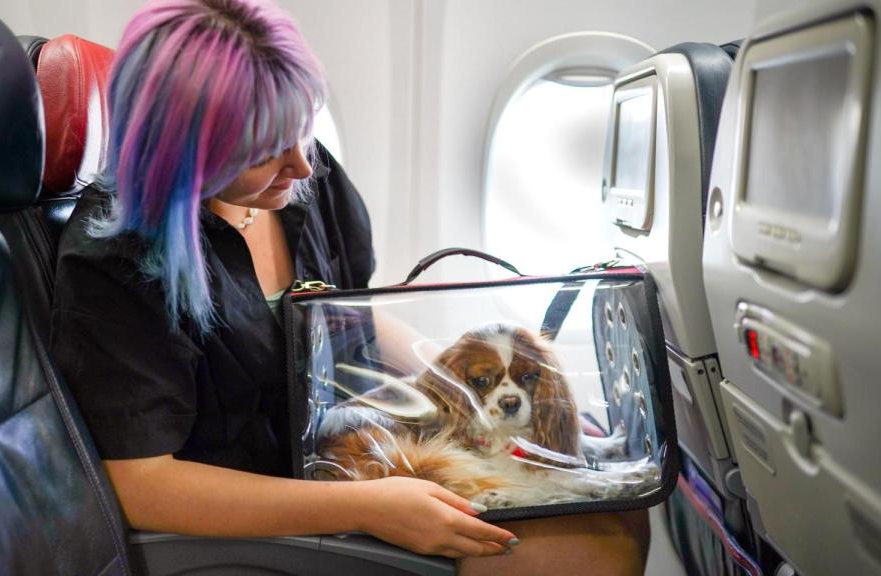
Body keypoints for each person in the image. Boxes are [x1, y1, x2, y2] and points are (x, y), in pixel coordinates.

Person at [50, 0, 649, 573]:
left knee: (618, 502)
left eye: (301, 130)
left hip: (358, 448)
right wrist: (370, 506)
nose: (302, 166)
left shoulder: (303, 184)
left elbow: (351, 316)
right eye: (264, 151)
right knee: (587, 541)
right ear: (189, 154)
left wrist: (464, 397)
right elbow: (141, 485)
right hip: (268, 508)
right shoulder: (118, 259)